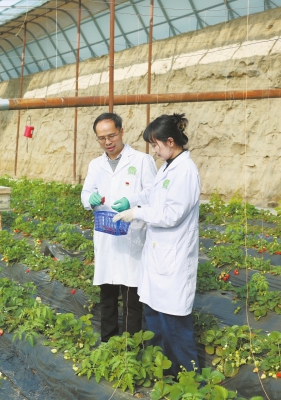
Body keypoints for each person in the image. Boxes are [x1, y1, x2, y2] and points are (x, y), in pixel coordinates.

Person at [114, 113, 200, 377]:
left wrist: (137, 213)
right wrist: (131, 201)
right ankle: (164, 375)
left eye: (155, 145)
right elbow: (151, 192)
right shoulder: (167, 167)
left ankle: (188, 380)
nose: (153, 150)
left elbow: (172, 214)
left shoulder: (186, 171)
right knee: (155, 319)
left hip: (173, 259)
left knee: (174, 325)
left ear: (170, 141)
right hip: (158, 257)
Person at [81, 112, 157, 343]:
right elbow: (86, 193)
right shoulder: (96, 165)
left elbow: (153, 195)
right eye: (102, 138)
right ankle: (108, 343)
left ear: (122, 131)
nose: (107, 142)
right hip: (106, 236)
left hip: (132, 235)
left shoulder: (142, 161)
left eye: (111, 136)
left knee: (132, 297)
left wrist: (131, 202)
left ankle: (131, 347)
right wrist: (90, 199)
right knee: (107, 296)